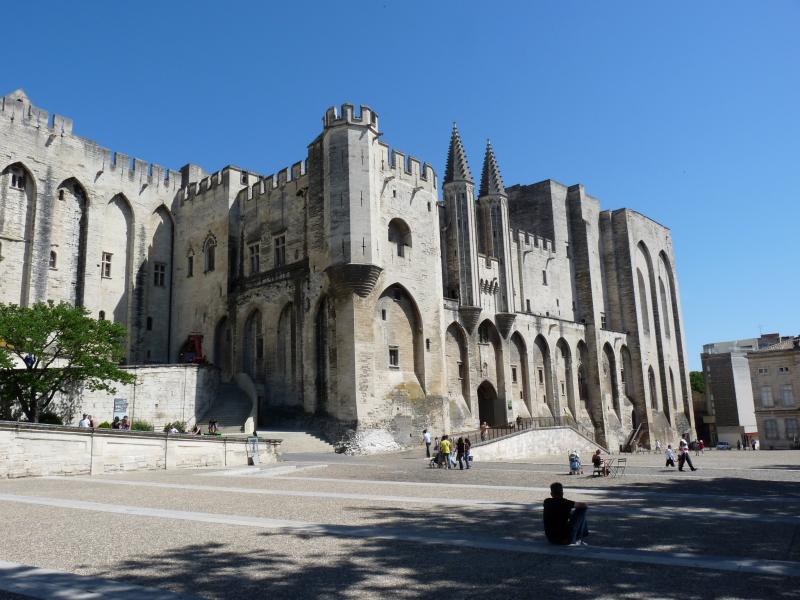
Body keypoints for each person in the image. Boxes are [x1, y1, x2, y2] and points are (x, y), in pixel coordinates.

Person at [543, 482, 589, 546]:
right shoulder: (566, 503)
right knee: (582, 509)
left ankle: (580, 537)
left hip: (551, 539)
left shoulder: (546, 502)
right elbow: (584, 505)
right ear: (562, 493)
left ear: (551, 494)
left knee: (564, 515)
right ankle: (580, 537)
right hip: (565, 539)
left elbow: (557, 512)